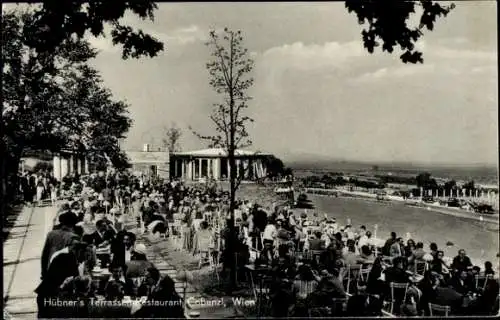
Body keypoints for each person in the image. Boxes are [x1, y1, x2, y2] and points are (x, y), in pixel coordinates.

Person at [40, 212, 80, 279]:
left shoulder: (51, 234)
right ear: (73, 224)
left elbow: (45, 255)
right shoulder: (74, 237)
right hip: (67, 274)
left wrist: (43, 272)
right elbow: (76, 257)